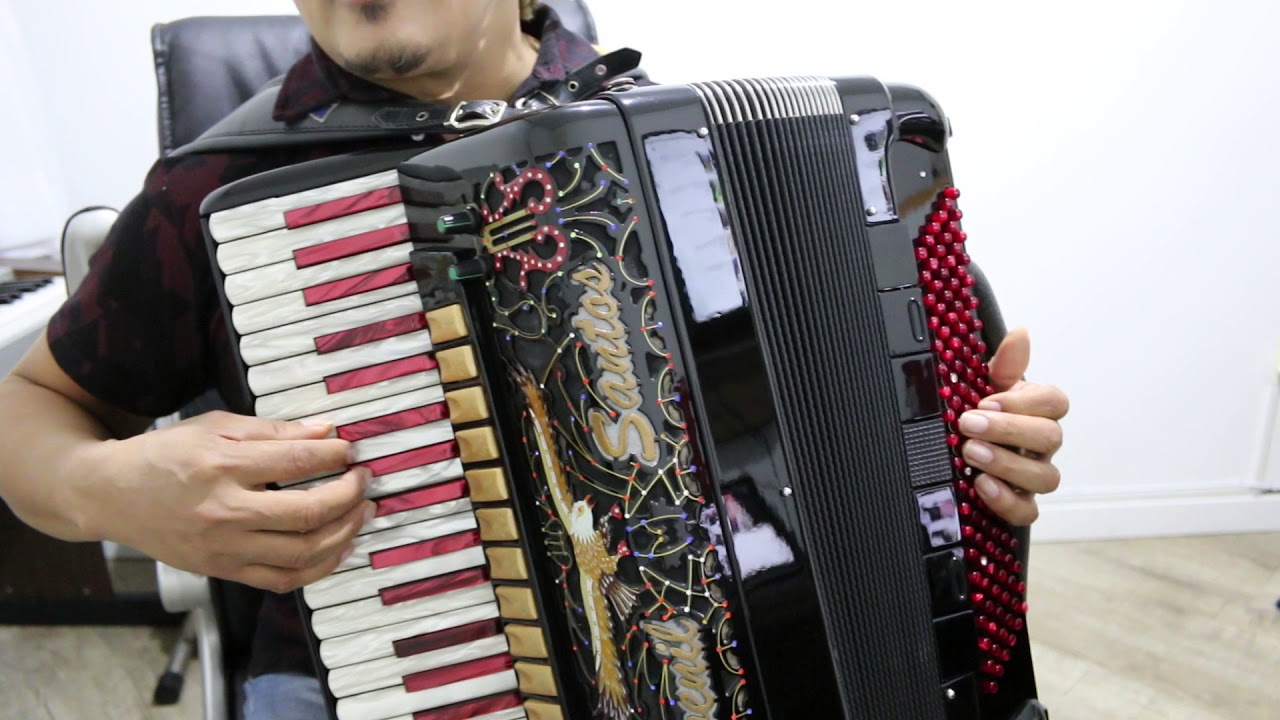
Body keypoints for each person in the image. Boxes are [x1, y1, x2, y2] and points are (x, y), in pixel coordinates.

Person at [0, 0, 1071, 717]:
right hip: (366, 665)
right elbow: (30, 408)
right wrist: (97, 485)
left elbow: (913, 417)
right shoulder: (213, 190)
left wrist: (978, 461)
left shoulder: (682, 147)